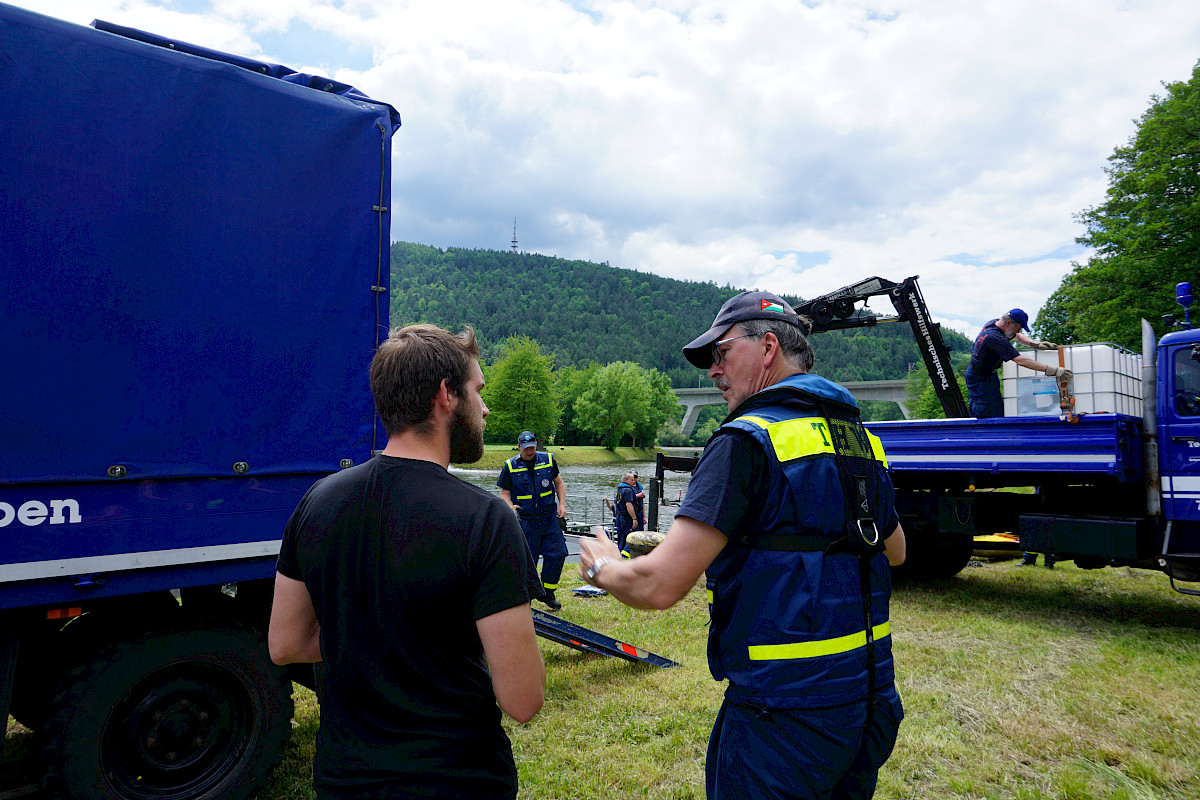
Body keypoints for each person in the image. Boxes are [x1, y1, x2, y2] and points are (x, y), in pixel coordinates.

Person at [579, 290, 907, 800]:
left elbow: (659, 584)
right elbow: (895, 551)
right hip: (869, 701)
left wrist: (603, 567)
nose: (713, 370)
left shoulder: (744, 441)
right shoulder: (859, 439)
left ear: (768, 346)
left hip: (781, 715)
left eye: (721, 352)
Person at [268, 323, 545, 800]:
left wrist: (369, 641)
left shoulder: (318, 501)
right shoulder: (486, 518)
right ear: (446, 395)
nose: (484, 407)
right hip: (458, 781)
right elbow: (522, 700)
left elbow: (285, 644)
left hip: (343, 782)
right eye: (477, 391)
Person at [497, 430, 568, 610]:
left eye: (533, 447)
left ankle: (547, 592)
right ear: (519, 446)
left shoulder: (548, 460)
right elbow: (504, 494)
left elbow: (558, 483)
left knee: (558, 553)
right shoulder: (510, 466)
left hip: (549, 517)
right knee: (528, 560)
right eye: (526, 448)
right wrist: (510, 507)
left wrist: (562, 505)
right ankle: (525, 598)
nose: (530, 451)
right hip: (526, 521)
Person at [965, 309, 1070, 418]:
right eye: (1018, 328)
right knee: (985, 411)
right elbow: (1020, 360)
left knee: (997, 408)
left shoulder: (996, 324)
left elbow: (1017, 336)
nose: (1019, 331)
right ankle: (982, 433)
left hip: (988, 374)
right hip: (979, 379)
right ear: (1009, 323)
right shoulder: (994, 338)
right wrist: (1053, 370)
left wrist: (1035, 344)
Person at [612, 472, 638, 558]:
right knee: (632, 537)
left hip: (619, 518)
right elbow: (628, 504)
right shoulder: (628, 490)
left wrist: (617, 516)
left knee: (621, 539)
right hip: (627, 519)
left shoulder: (618, 489)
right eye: (631, 480)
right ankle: (624, 556)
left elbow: (615, 504)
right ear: (626, 480)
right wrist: (634, 518)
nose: (633, 481)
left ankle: (618, 557)